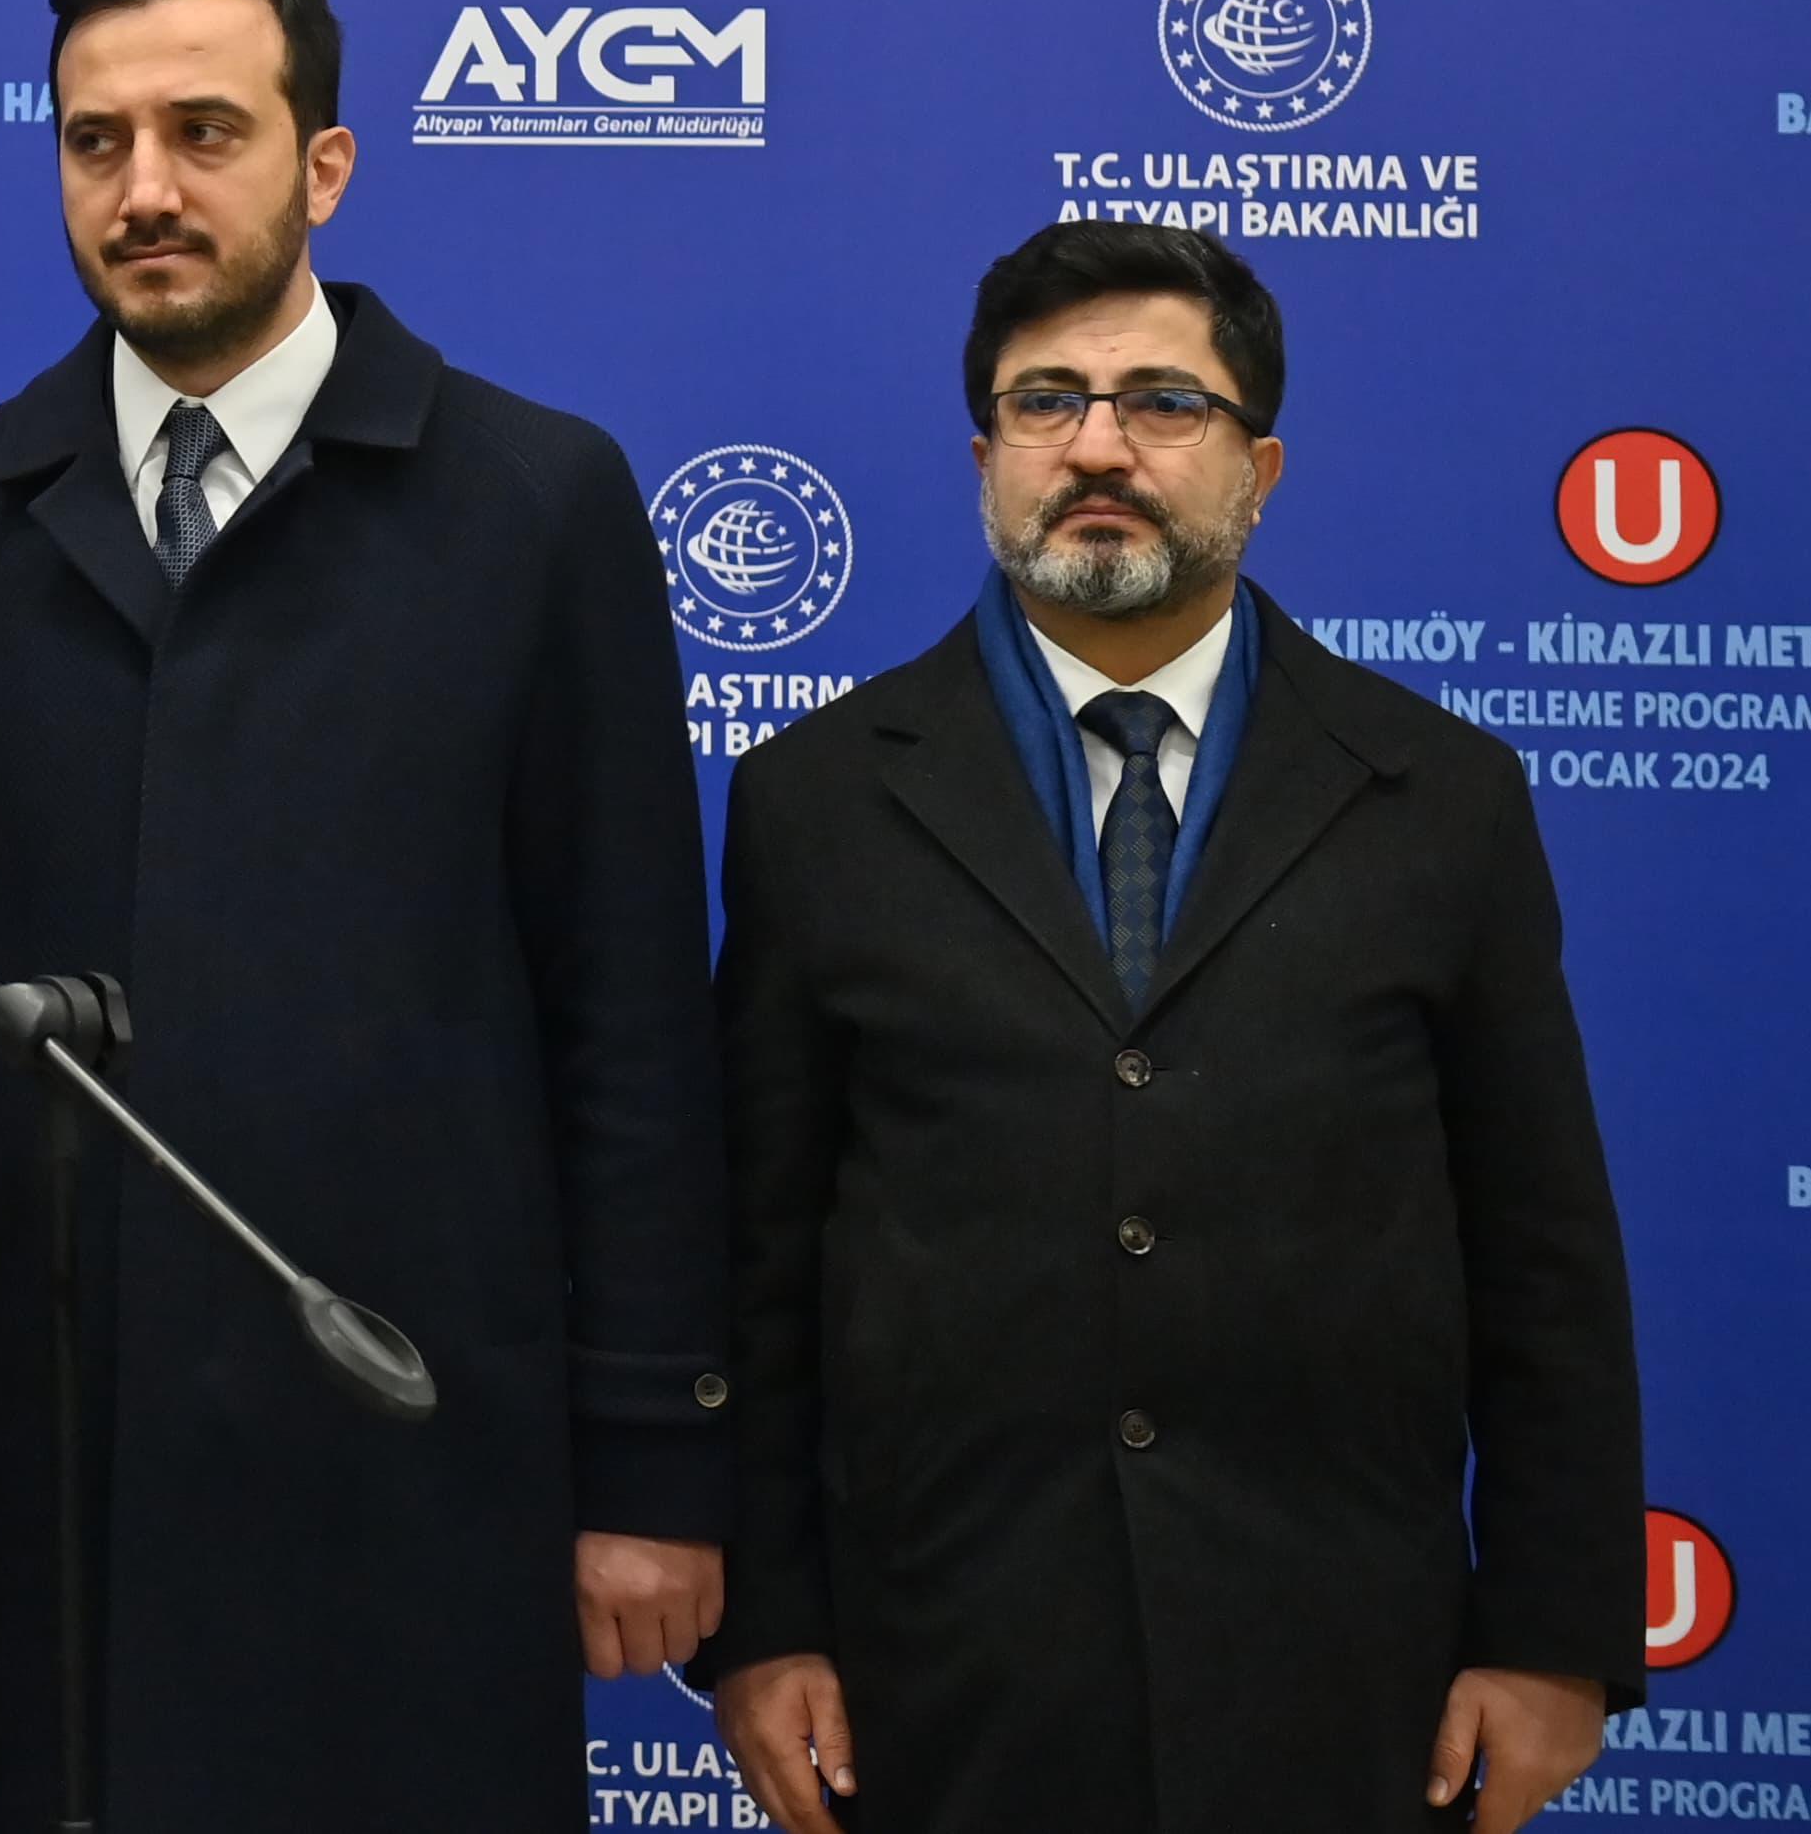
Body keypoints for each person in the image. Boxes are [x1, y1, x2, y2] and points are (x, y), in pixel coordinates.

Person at [0, 0, 729, 1832]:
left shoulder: (533, 500)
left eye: (203, 131)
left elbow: (629, 1014)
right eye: (94, 139)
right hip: (39, 1454)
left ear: (325, 164)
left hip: (413, 1442)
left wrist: (644, 1459)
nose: (143, 189)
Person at [703, 221, 1641, 1834]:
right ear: (984, 451)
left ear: (1261, 464)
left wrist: (1556, 1634)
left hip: (1348, 1673)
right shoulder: (820, 798)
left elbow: (1542, 1249)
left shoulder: (1441, 798)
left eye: (1163, 402)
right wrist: (764, 1621)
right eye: (1045, 399)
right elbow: (756, 1256)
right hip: (941, 1673)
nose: (1098, 445)